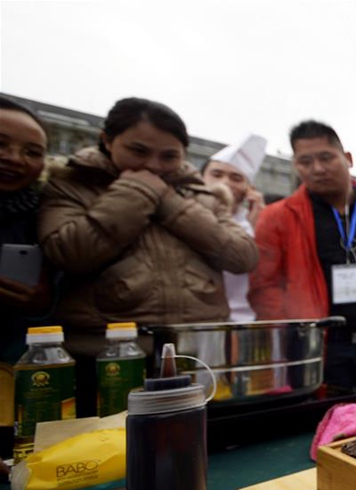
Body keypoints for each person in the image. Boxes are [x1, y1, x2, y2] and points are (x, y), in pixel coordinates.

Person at [38, 97, 259, 417]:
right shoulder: (71, 184)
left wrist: (169, 203)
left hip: (196, 360)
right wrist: (136, 193)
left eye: (169, 156)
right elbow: (69, 252)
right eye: (138, 151)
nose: (154, 165)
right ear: (107, 140)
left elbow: (243, 256)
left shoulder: (202, 195)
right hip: (106, 364)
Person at [249, 120, 356, 391]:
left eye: (326, 157)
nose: (317, 169)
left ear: (348, 158)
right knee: (329, 430)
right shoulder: (277, 217)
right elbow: (263, 286)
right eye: (305, 161)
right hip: (325, 353)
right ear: (295, 165)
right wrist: (294, 338)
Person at [0, 95, 55, 462]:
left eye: (32, 151)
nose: (15, 158)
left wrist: (42, 303)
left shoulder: (46, 215)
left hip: (14, 371)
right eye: (2, 144)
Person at [202, 133, 267, 322]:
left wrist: (258, 229)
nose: (225, 182)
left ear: (249, 189)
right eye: (216, 174)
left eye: (236, 177)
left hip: (244, 325)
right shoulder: (180, 216)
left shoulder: (254, 226)